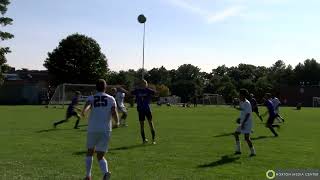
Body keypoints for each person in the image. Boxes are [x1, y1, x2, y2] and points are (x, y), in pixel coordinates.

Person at [81, 79, 120, 180]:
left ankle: (88, 175)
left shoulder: (92, 97)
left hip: (93, 128)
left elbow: (89, 104)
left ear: (96, 87)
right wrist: (117, 122)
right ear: (105, 87)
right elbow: (113, 112)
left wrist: (84, 111)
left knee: (90, 151)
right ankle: (105, 173)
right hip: (106, 130)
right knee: (100, 155)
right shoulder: (111, 98)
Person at [131, 79, 156, 144]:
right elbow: (130, 92)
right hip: (143, 110)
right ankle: (147, 140)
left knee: (148, 124)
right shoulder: (140, 90)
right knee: (145, 125)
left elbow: (155, 93)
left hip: (145, 110)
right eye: (143, 84)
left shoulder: (145, 90)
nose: (144, 85)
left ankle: (150, 140)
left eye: (144, 83)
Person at [234, 89, 256, 157]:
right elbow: (242, 109)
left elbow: (248, 114)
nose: (238, 95)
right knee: (236, 134)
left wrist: (243, 123)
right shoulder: (241, 102)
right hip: (242, 121)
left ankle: (253, 152)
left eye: (239, 94)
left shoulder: (247, 103)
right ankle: (238, 150)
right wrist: (239, 117)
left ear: (243, 95)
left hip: (247, 122)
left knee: (247, 138)